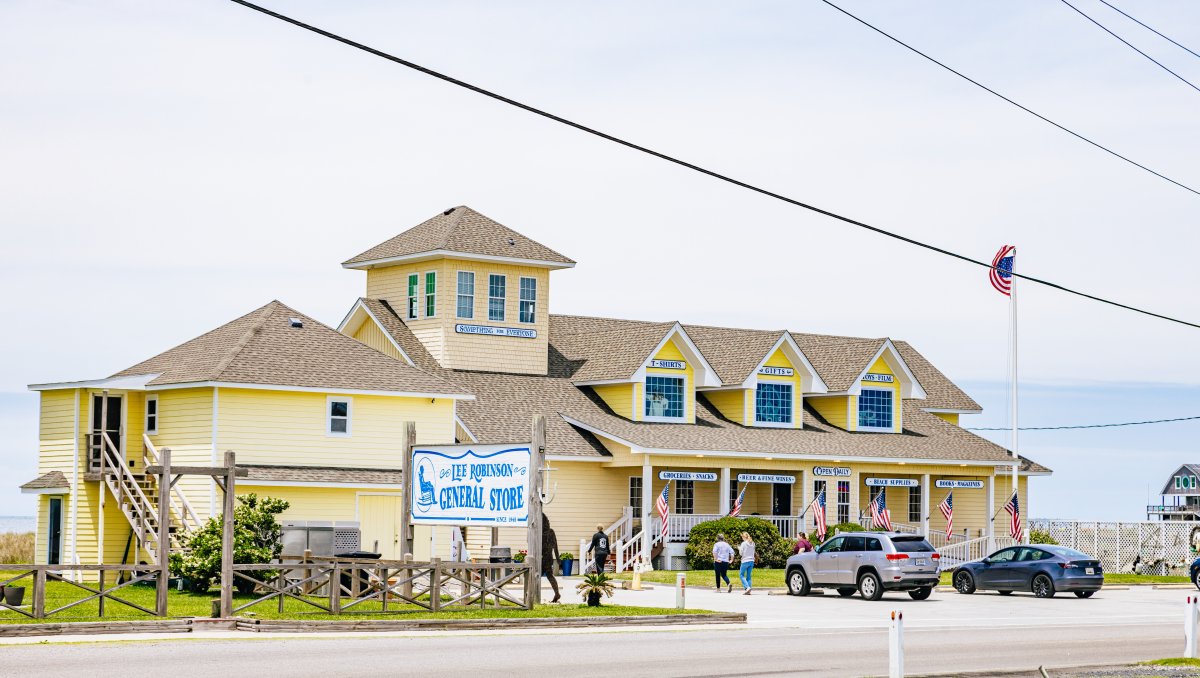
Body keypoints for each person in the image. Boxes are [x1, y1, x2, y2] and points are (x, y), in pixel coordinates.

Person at [542, 516, 561, 603]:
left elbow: (555, 545)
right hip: (549, 557)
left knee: (536, 576)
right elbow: (555, 546)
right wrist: (557, 558)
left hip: (543, 558)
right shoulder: (551, 531)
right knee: (550, 576)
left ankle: (531, 594)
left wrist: (558, 558)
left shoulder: (541, 532)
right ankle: (557, 593)